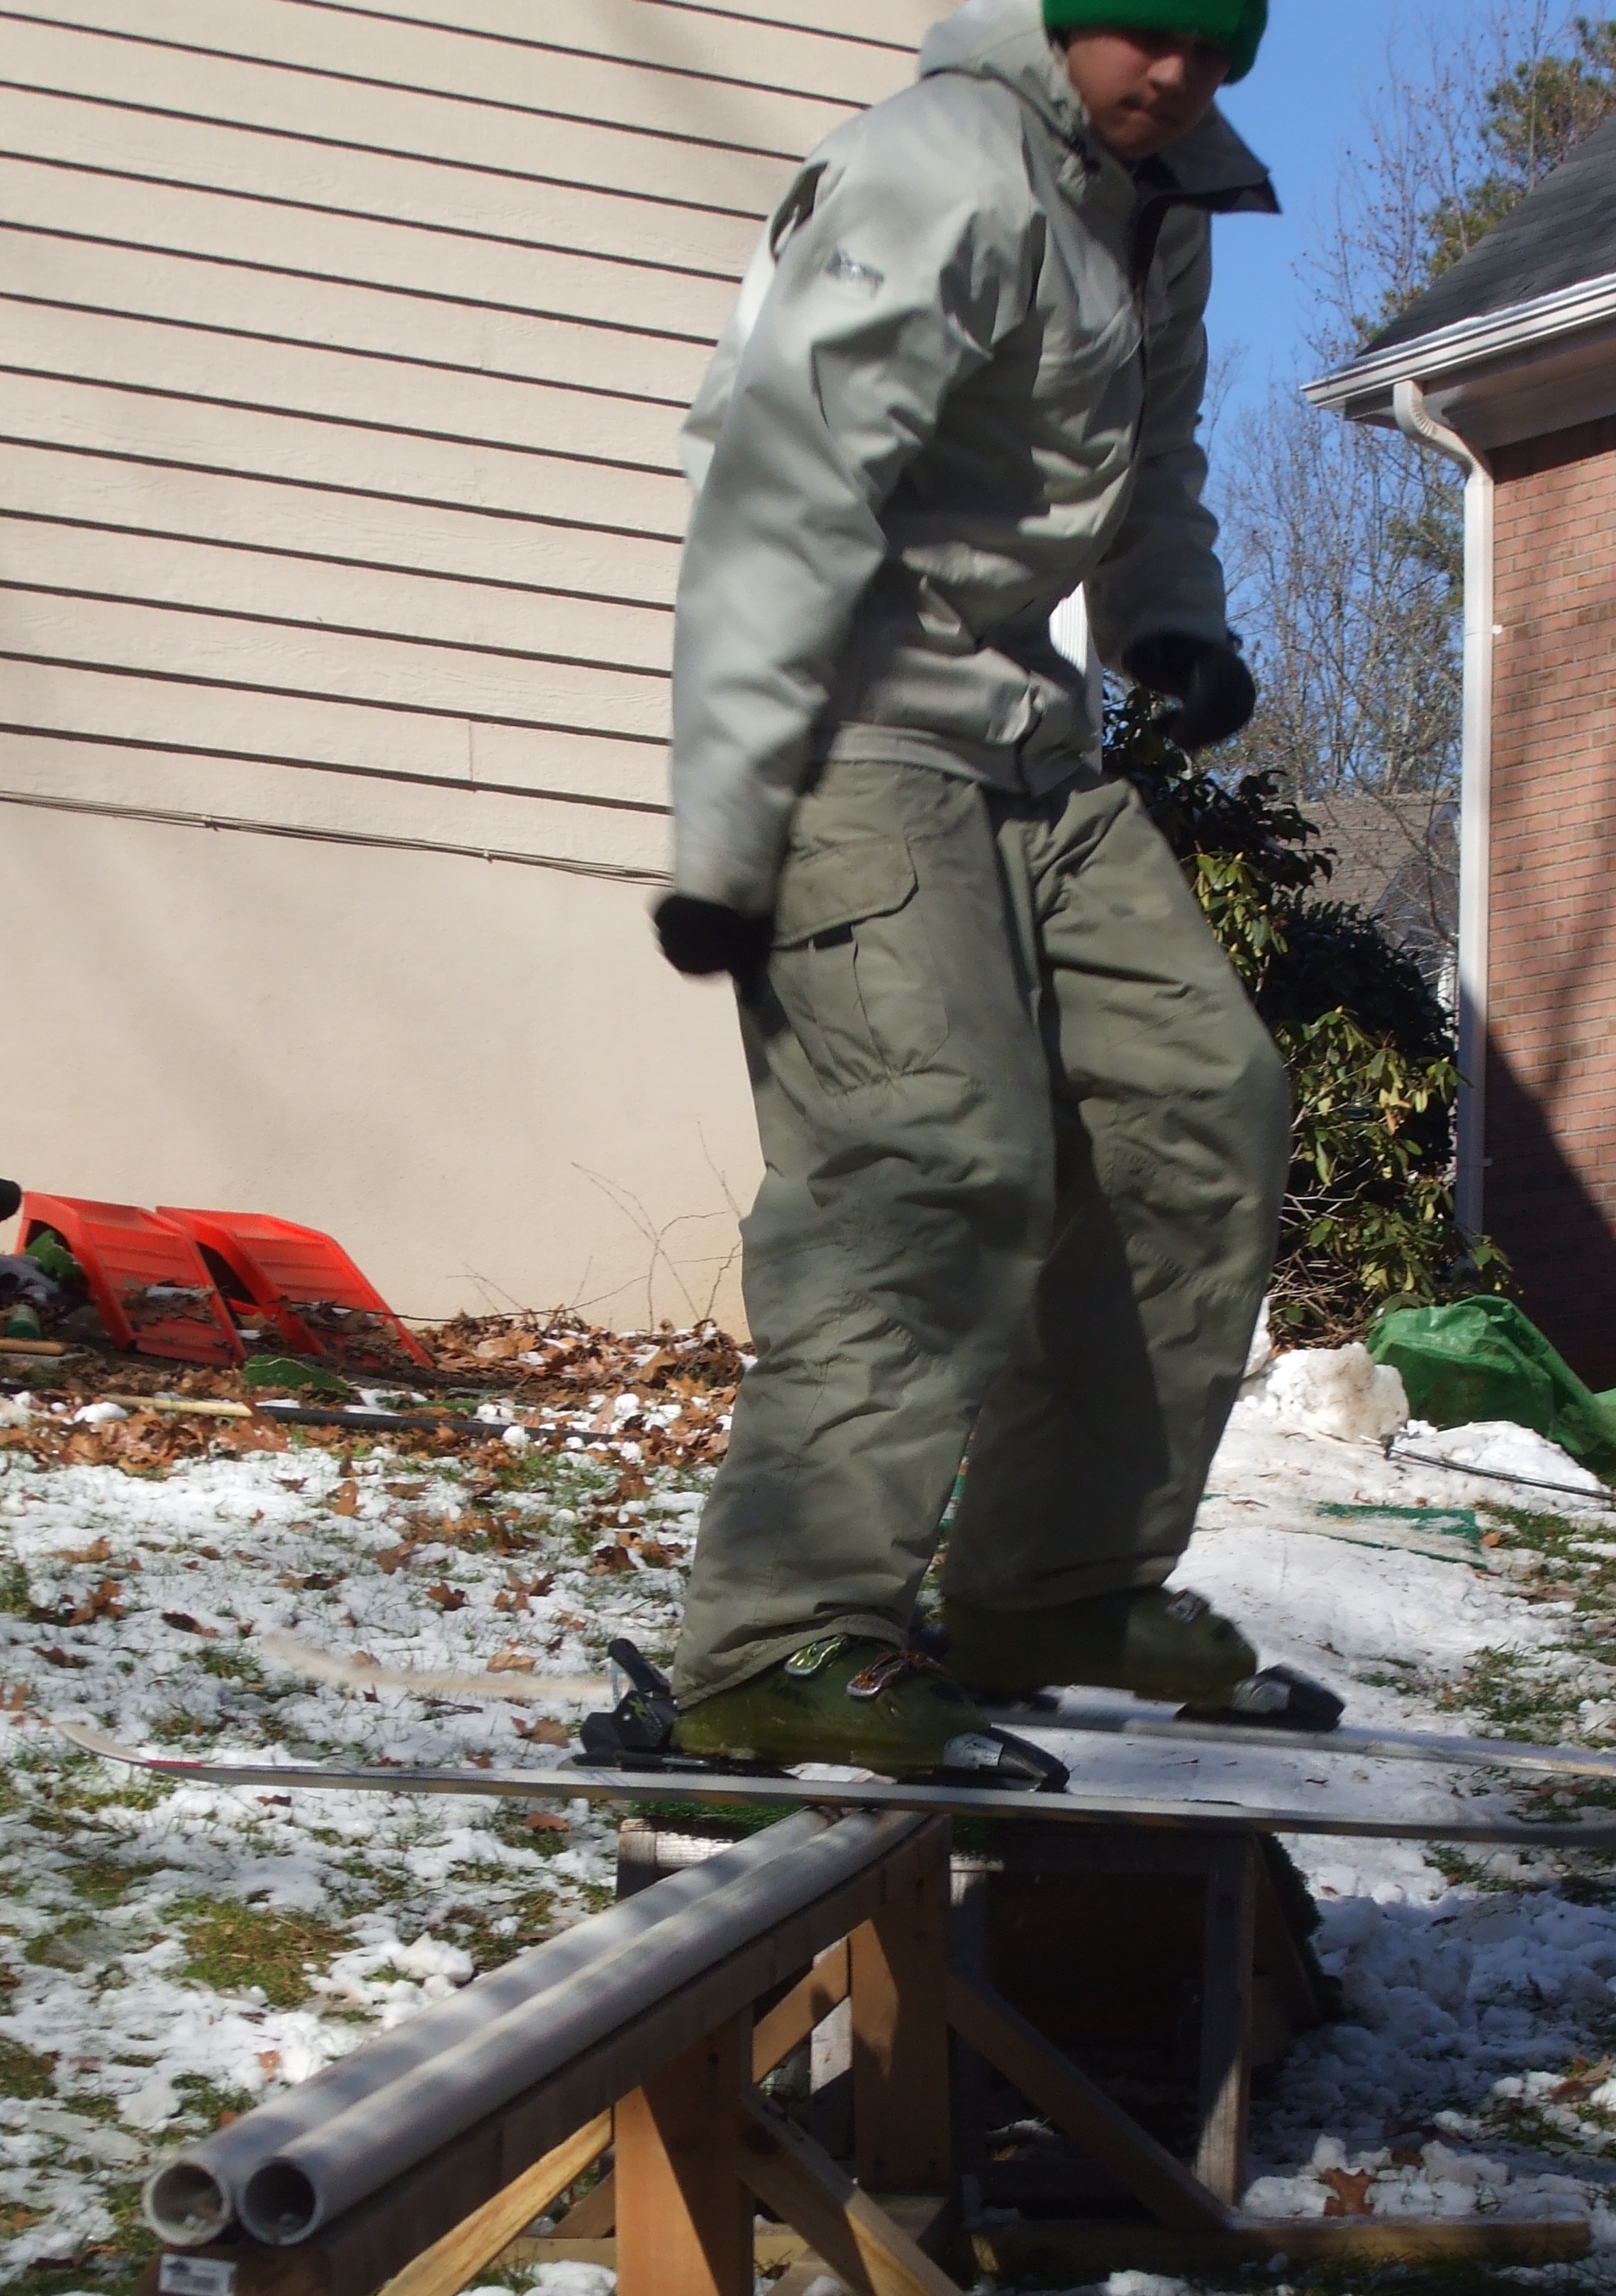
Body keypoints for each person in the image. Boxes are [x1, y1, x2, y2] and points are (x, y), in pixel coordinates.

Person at [643, 0, 1305, 1778]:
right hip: (854, 736)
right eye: (1146, 37)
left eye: (1216, 51)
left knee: (1203, 1102)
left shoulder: (1149, 199)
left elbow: (1153, 451)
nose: (1177, 79)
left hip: (1028, 744)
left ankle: (1051, 1581)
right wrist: (726, 830)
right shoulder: (939, 175)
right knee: (936, 1162)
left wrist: (1175, 615)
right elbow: (777, 489)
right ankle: (774, 1640)